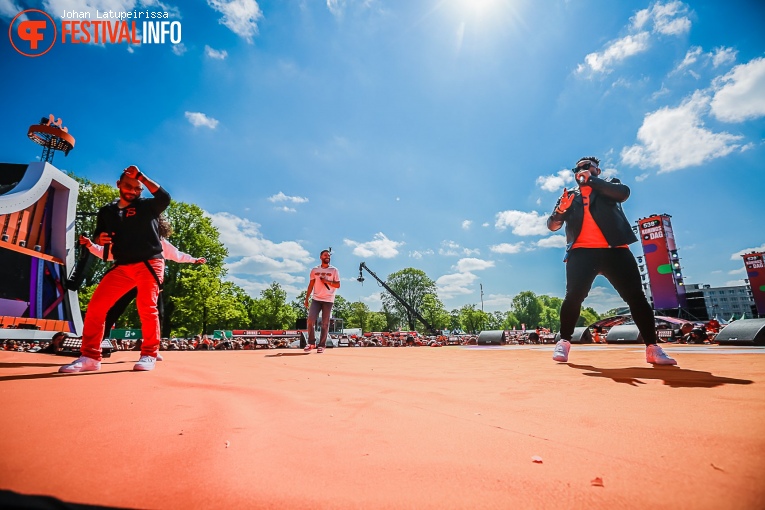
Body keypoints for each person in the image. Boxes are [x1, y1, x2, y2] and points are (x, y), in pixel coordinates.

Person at [546, 156, 677, 365]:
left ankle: (652, 347)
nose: (581, 170)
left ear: (597, 170)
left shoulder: (610, 186)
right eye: (577, 168)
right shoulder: (570, 196)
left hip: (615, 250)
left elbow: (623, 194)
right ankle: (563, 341)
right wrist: (561, 210)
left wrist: (592, 181)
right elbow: (552, 225)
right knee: (573, 297)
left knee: (636, 297)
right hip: (581, 252)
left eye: (586, 167)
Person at [59, 165, 171, 373]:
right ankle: (90, 357)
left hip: (149, 262)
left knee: (146, 307)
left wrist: (141, 177)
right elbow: (99, 235)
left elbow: (164, 198)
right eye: (129, 186)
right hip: (122, 266)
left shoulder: (147, 206)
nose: (133, 191)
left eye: (138, 188)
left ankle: (149, 353)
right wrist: (98, 239)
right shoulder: (107, 211)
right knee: (96, 307)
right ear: (118, 184)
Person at [79, 215, 206, 361]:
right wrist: (90, 245)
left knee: (153, 311)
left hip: (149, 277)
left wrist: (193, 259)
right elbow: (108, 253)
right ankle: (97, 344)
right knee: (114, 308)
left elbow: (176, 254)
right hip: (128, 275)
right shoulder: (130, 239)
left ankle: (152, 347)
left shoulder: (159, 242)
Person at [303, 249, 340, 353]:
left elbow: (338, 285)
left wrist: (327, 281)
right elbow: (311, 285)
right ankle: (311, 343)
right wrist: (306, 299)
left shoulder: (334, 270)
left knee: (325, 323)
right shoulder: (315, 270)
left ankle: (322, 345)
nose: (327, 257)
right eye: (325, 255)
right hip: (316, 299)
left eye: (329, 255)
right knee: (310, 320)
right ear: (321, 257)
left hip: (328, 300)